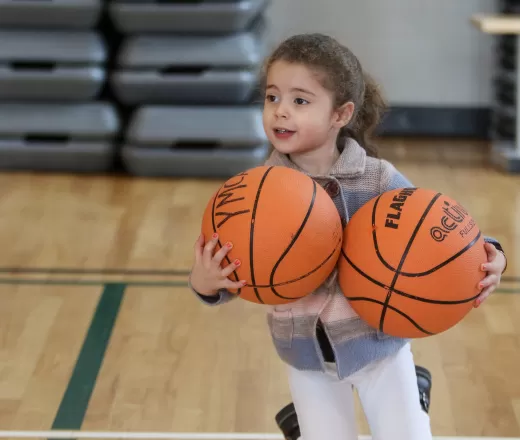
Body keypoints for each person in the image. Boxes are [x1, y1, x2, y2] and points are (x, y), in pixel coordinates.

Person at [189, 33, 507, 440]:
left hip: (378, 346)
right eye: (272, 97)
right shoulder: (255, 193)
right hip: (305, 353)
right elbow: (233, 272)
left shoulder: (377, 177)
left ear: (340, 114)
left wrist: (488, 254)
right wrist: (206, 281)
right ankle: (304, 426)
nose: (280, 112)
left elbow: (437, 231)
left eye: (300, 101)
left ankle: (415, 393)